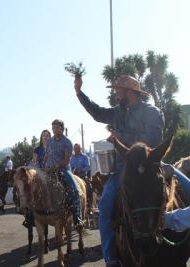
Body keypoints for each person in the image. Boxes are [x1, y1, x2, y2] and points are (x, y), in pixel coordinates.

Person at [74, 74, 164, 267]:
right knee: (105, 206)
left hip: (151, 167)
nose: (115, 93)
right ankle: (111, 259)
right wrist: (79, 92)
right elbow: (97, 113)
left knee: (186, 187)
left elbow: (153, 140)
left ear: (129, 91)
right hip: (125, 170)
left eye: (118, 90)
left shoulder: (151, 112)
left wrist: (120, 136)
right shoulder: (117, 112)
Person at [43, 119, 83, 229]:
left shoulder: (67, 142)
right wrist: (44, 165)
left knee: (74, 190)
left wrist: (55, 166)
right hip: (49, 171)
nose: (54, 130)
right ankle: (35, 216)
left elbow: (66, 161)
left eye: (56, 127)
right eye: (53, 128)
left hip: (63, 170)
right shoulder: (50, 141)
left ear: (62, 128)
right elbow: (47, 155)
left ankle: (77, 218)